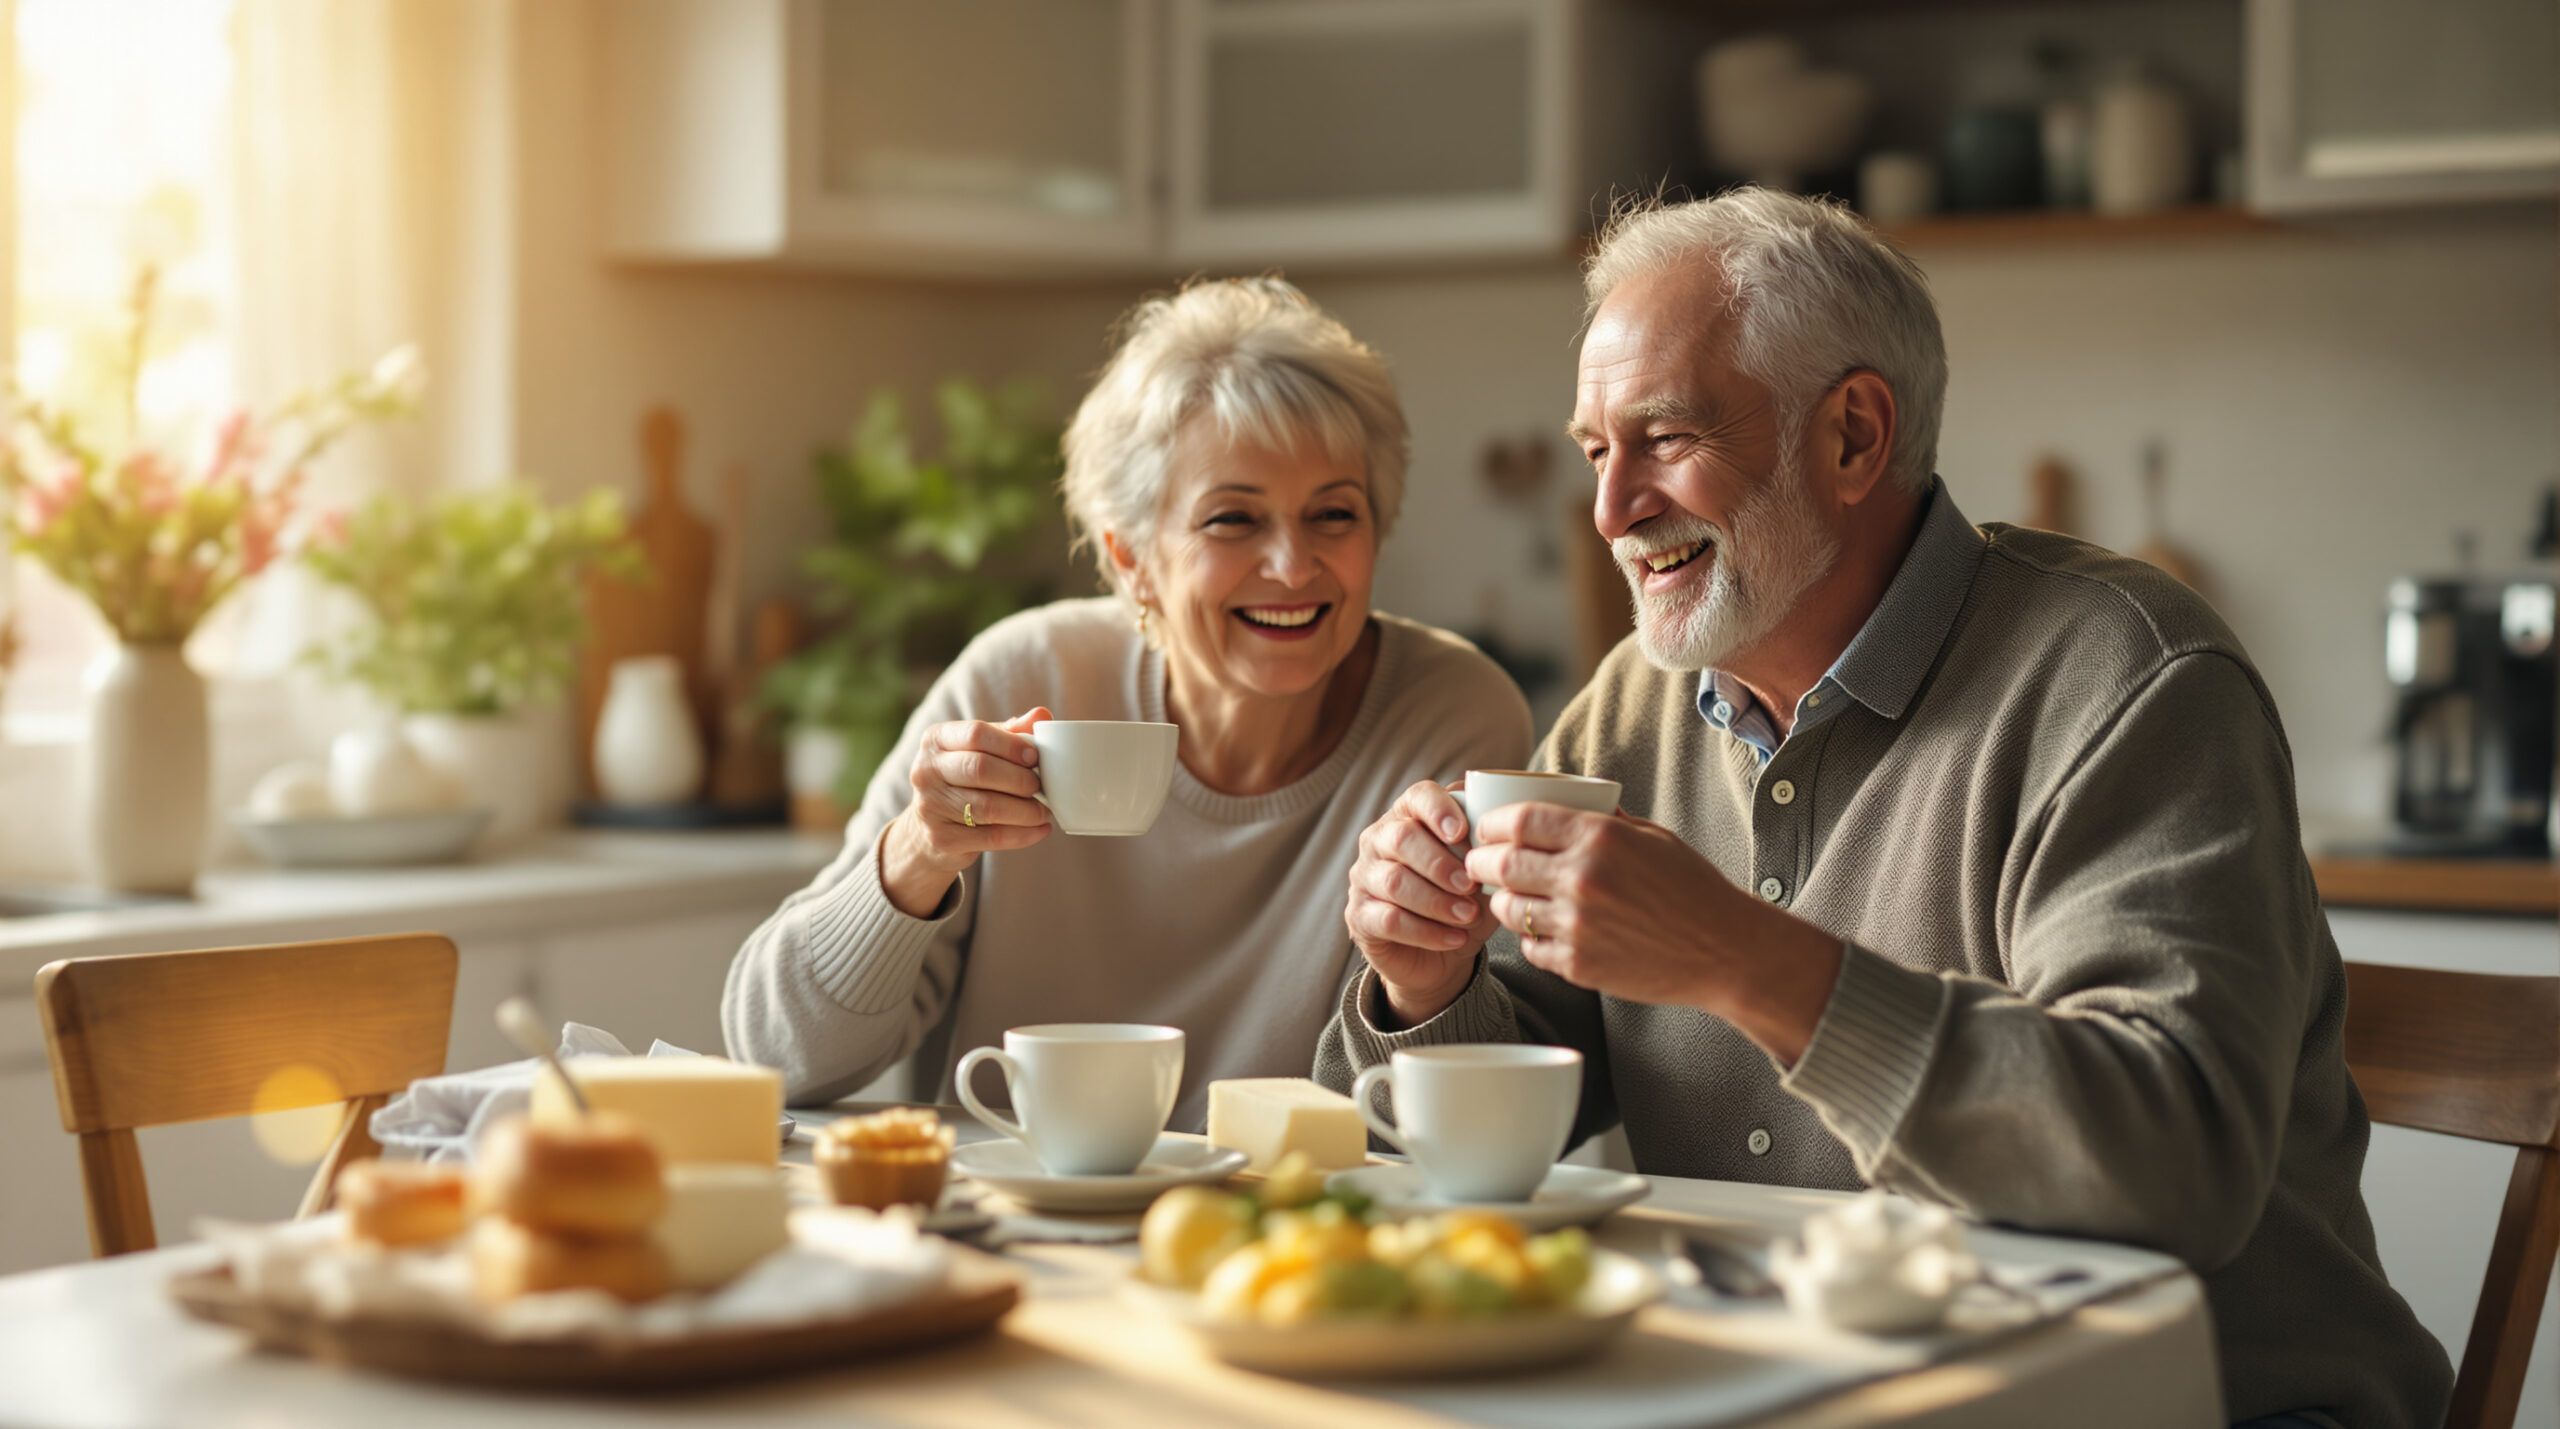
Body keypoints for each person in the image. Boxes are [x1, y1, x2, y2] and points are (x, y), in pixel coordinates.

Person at [1321, 190, 2449, 1429]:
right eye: (1598, 451)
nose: (1612, 509)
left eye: (1664, 436)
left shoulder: (2128, 680)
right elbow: (1496, 1119)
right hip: (1808, 1391)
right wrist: (1423, 984)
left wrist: (1746, 961)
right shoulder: (1630, 708)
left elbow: (2172, 1163)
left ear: (1853, 436)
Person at [724, 277, 1531, 1131]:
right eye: (1233, 520)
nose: (1294, 566)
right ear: (1133, 556)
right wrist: (920, 853)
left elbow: (1464, 1127)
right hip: (1016, 1225)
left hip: (1281, 1239)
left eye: (1334, 513)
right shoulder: (1022, 677)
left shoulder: (1451, 713)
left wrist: (1419, 985)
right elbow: (772, 1058)